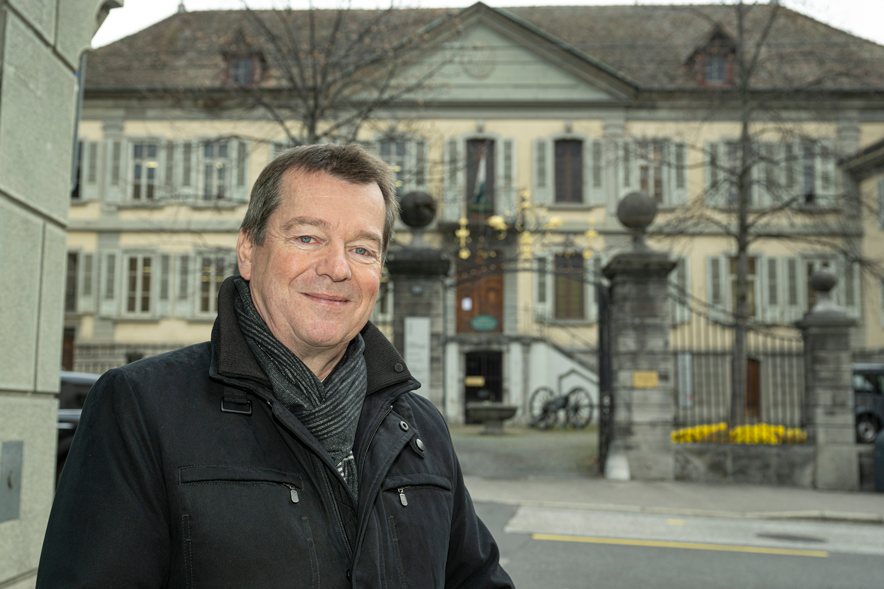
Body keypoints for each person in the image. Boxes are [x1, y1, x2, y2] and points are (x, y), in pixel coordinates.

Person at [37, 144, 513, 589]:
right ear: (249, 249)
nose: (337, 267)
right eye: (308, 237)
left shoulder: (419, 427)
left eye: (363, 249)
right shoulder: (141, 407)